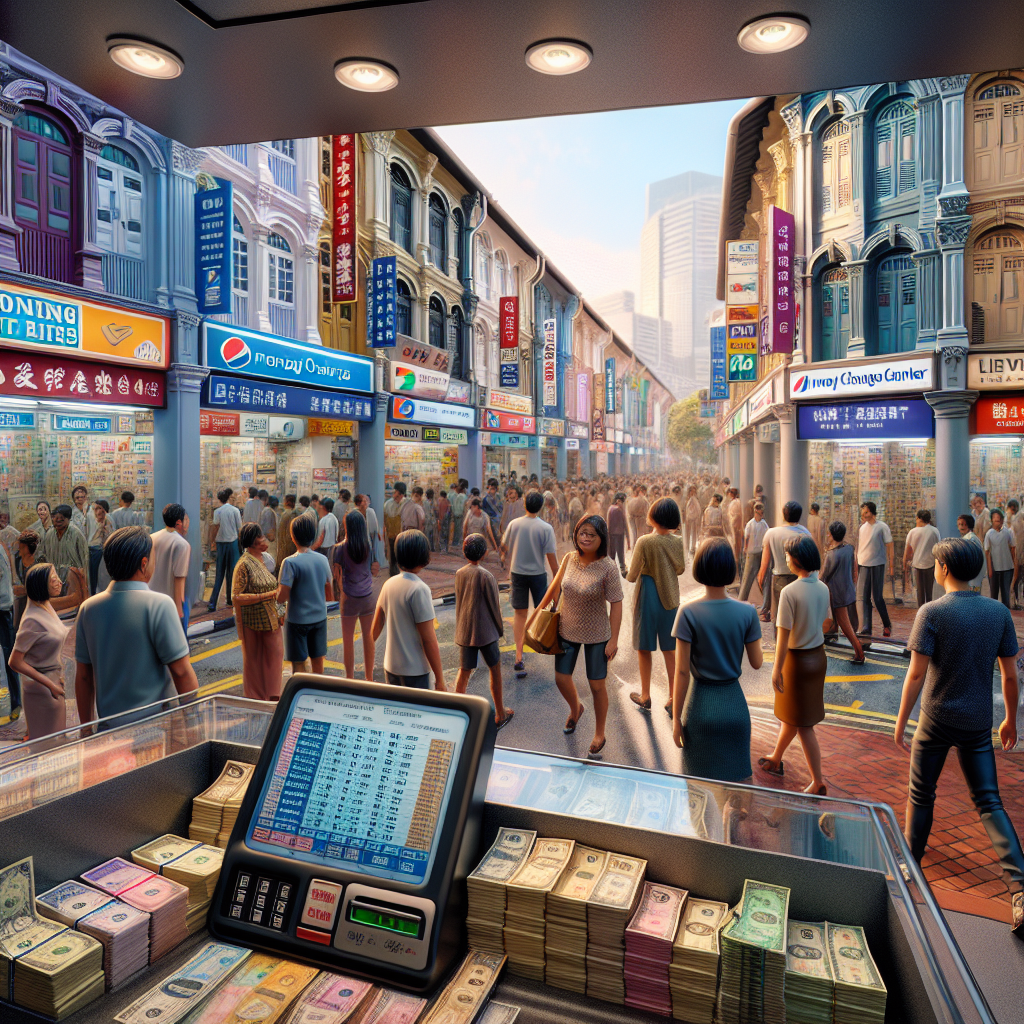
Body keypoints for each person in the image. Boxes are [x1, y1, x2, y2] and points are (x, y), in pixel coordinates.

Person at [895, 536, 1024, 939]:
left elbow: (916, 674)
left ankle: (911, 862)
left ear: (944, 569)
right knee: (989, 801)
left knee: (921, 793)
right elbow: (1009, 674)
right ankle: (1020, 889)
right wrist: (1010, 720)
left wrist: (902, 722)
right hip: (977, 722)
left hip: (935, 719)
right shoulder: (998, 612)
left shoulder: (931, 611)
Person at [75, 527, 197, 729]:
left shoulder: (88, 609)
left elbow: (84, 676)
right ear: (144, 564)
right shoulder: (159, 604)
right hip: (157, 730)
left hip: (109, 732)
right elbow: (181, 672)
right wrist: (193, 724)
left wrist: (87, 730)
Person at [671, 538, 762, 782]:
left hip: (700, 708)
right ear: (731, 570)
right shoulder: (748, 613)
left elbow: (681, 673)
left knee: (699, 794)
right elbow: (757, 662)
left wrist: (676, 720)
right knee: (737, 795)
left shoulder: (687, 612)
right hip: (735, 709)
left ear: (699, 567)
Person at [535, 515, 623, 759]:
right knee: (561, 679)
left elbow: (616, 604)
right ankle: (576, 709)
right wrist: (534, 616)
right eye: (581, 533)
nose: (584, 538)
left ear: (601, 539)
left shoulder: (608, 567)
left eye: (591, 535)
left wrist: (614, 640)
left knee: (596, 686)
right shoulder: (569, 559)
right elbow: (554, 588)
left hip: (597, 634)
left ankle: (599, 733)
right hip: (567, 629)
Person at [759, 535, 831, 794]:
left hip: (796, 662)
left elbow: (783, 636)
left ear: (796, 560)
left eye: (788, 555)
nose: (786, 558)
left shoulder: (789, 592)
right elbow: (827, 623)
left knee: (803, 725)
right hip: (817, 657)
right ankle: (777, 757)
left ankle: (818, 781)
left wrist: (777, 669)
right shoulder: (823, 588)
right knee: (794, 715)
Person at [627, 498, 687, 714]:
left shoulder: (644, 542)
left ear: (654, 517)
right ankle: (673, 698)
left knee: (644, 648)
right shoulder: (677, 541)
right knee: (670, 650)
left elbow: (632, 575)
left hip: (647, 596)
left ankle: (645, 695)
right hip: (670, 598)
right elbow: (680, 568)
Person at [371, 530, 445, 689]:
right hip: (416, 671)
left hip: (391, 668)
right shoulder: (419, 589)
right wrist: (440, 679)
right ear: (422, 556)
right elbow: (429, 639)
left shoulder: (388, 584)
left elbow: (375, 629)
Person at [454, 534, 512, 728]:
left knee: (464, 671)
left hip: (465, 629)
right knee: (494, 668)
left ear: (464, 551)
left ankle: (455, 711)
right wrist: (500, 628)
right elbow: (495, 607)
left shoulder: (460, 573)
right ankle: (500, 713)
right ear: (485, 553)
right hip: (486, 632)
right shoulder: (486, 576)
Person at [501, 490, 558, 678]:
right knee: (541, 611)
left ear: (524, 504)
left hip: (517, 573)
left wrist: (505, 554)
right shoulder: (545, 528)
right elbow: (552, 559)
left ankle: (519, 656)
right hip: (538, 574)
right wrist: (558, 582)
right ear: (540, 507)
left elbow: (504, 545)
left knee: (519, 614)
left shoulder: (514, 524)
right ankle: (543, 645)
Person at [10, 563, 67, 745]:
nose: (59, 582)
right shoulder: (32, 620)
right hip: (43, 691)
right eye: (53, 580)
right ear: (42, 585)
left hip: (54, 684)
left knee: (57, 745)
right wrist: (50, 684)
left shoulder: (46, 607)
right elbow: (15, 662)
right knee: (47, 748)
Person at [231, 522, 284, 701]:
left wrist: (281, 611)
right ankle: (257, 700)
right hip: (253, 623)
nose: (265, 540)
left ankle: (272, 697)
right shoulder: (243, 565)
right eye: (261, 537)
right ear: (253, 541)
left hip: (272, 620)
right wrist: (265, 596)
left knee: (274, 660)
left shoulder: (265, 559)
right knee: (254, 663)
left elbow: (277, 588)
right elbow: (236, 597)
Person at [276, 513, 333, 676]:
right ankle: (318, 694)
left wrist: (275, 596)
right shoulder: (322, 559)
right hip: (320, 617)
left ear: (293, 537)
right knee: (318, 663)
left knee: (299, 666)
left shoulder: (290, 563)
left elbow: (282, 596)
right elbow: (329, 586)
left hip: (297, 620)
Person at [333, 510, 378, 681]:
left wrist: (342, 592)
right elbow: (372, 570)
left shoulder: (340, 549)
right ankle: (369, 678)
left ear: (347, 526)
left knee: (348, 641)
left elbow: (337, 575)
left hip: (349, 598)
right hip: (368, 597)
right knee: (369, 637)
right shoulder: (368, 546)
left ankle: (350, 678)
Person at [757, 500, 811, 622]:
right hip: (800, 577)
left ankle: (779, 640)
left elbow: (765, 563)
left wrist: (761, 578)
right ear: (800, 515)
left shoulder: (771, 533)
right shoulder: (805, 533)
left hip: (779, 578)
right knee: (797, 614)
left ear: (783, 514)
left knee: (780, 616)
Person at [820, 520, 865, 663]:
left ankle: (859, 653)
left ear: (832, 535)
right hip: (848, 589)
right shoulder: (849, 549)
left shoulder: (831, 555)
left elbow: (824, 576)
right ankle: (831, 633)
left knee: (846, 627)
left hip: (837, 593)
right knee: (842, 622)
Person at [149, 503, 191, 633]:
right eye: (186, 519)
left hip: (151, 601)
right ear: (179, 523)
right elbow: (179, 578)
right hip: (170, 604)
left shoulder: (152, 538)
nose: (188, 523)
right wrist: (179, 611)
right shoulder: (181, 544)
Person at [857, 501, 894, 637]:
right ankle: (866, 626)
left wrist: (891, 566)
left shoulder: (882, 527)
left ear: (872, 512)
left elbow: (890, 545)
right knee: (864, 597)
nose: (864, 515)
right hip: (863, 564)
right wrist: (858, 563)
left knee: (877, 597)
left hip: (878, 564)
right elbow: (861, 546)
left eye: (866, 512)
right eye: (862, 513)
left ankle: (886, 624)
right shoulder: (862, 528)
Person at [208, 488, 242, 612]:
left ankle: (212, 603)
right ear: (229, 497)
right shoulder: (235, 511)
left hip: (220, 544)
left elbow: (215, 527)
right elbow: (239, 528)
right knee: (232, 573)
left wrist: (212, 542)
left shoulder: (217, 511)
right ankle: (230, 599)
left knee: (219, 574)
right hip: (232, 544)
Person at [904, 509, 941, 607]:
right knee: (929, 591)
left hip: (917, 565)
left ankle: (921, 611)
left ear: (918, 518)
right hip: (930, 565)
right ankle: (928, 610)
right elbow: (938, 549)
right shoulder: (934, 531)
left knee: (919, 591)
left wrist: (905, 565)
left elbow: (907, 551)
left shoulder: (913, 532)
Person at [40, 505, 89, 577]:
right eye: (55, 519)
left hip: (72, 578)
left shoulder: (76, 534)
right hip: (53, 577)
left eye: (61, 520)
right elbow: (44, 555)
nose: (57, 523)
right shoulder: (49, 534)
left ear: (68, 519)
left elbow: (84, 559)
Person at [0, 537, 19, 721]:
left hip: (3, 608)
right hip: (3, 606)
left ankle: (16, 702)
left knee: (9, 658)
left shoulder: (1, 546)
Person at [985, 508, 1017, 608]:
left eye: (998, 518)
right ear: (991, 520)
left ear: (1002, 520)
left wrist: (1014, 563)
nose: (996, 520)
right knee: (994, 593)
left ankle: (1006, 612)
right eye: (994, 518)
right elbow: (987, 552)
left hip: (1007, 567)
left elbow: (1012, 548)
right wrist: (990, 569)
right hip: (995, 568)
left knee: (1005, 593)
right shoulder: (989, 534)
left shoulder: (1007, 532)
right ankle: (994, 612)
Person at [737, 502, 769, 603]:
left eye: (762, 513)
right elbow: (746, 538)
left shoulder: (764, 524)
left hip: (760, 552)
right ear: (755, 512)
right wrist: (745, 549)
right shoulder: (750, 524)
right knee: (747, 577)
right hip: (751, 552)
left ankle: (764, 602)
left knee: (763, 577)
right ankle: (742, 599)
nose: (761, 515)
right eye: (760, 513)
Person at [87, 500, 113, 595]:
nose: (97, 511)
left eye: (99, 508)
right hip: (94, 551)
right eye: (95, 509)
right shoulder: (93, 521)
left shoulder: (107, 521)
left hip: (102, 552)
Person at [958, 513, 987, 592]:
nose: (961, 527)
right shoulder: (970, 538)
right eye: (959, 524)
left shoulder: (970, 539)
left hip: (972, 575)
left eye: (963, 524)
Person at [383, 483, 407, 576]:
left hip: (403, 535)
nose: (396, 495)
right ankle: (393, 574)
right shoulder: (388, 504)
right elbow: (385, 519)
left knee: (402, 555)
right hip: (392, 535)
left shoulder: (406, 503)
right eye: (396, 492)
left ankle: (402, 574)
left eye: (399, 493)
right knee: (393, 555)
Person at [355, 493, 381, 565]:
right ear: (359, 503)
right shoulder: (355, 513)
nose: (366, 502)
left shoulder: (370, 511)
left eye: (367, 500)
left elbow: (374, 525)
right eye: (364, 500)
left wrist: (376, 533)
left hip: (368, 538)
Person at [1008, 498, 1024, 609]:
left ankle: (1016, 601)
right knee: (1016, 578)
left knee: (1017, 579)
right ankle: (1014, 602)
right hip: (1018, 554)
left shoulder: (1017, 518)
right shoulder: (1018, 518)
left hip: (1019, 554)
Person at [607, 492, 628, 576]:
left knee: (612, 552)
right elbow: (624, 523)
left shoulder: (610, 508)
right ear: (618, 501)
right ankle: (622, 569)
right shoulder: (618, 509)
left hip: (611, 533)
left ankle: (612, 570)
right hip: (619, 534)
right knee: (620, 552)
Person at [276, 495, 298, 571]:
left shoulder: (287, 514)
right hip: (288, 547)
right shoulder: (292, 514)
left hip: (285, 548)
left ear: (287, 502)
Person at [449, 482, 468, 548]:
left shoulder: (457, 496)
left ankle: (455, 542)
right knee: (459, 529)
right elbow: (464, 507)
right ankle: (457, 542)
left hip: (455, 513)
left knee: (456, 529)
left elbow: (453, 505)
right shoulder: (464, 497)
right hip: (460, 514)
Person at [684, 485, 702, 556]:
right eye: (691, 491)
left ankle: (693, 547)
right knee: (688, 533)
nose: (692, 492)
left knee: (694, 533)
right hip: (689, 518)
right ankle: (687, 547)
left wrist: (696, 517)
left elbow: (698, 509)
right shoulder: (688, 499)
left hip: (694, 518)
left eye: (694, 491)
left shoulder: (694, 499)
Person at [436, 490, 451, 555]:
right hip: (447, 520)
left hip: (441, 519)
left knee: (441, 534)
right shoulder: (448, 502)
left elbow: (438, 511)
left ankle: (442, 549)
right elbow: (449, 511)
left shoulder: (439, 501)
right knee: (446, 534)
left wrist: (439, 519)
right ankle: (446, 549)